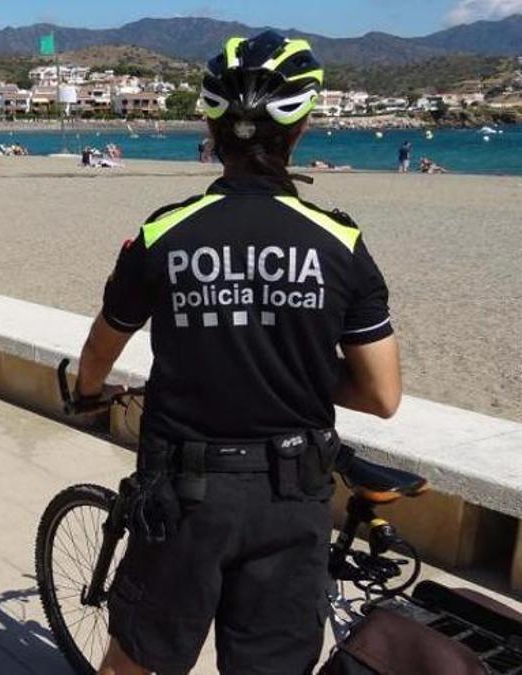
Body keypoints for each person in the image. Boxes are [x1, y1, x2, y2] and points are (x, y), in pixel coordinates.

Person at [73, 32, 401, 675]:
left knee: (134, 662)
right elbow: (381, 395)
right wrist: (298, 365)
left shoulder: (163, 233)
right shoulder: (338, 242)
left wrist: (87, 395)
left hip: (183, 494)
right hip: (292, 494)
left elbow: (100, 346)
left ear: (210, 128)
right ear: (300, 129)